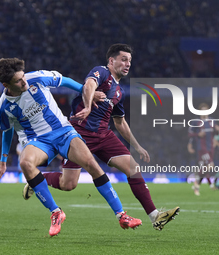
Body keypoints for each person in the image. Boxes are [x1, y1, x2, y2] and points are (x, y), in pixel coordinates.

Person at [23, 44, 180, 230]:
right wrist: (88, 107)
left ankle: (155, 216)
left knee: (133, 168)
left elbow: (120, 122)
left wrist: (137, 146)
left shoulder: (119, 92)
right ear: (111, 61)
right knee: (68, 184)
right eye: (123, 59)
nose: (127, 64)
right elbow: (89, 85)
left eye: (129, 60)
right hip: (78, 134)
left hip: (104, 135)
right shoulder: (102, 72)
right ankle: (37, 180)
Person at [0, 58, 142, 237]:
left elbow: (65, 81)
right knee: (25, 162)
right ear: (5, 84)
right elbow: (7, 131)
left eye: (23, 76)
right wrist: (3, 161)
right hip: (38, 141)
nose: (24, 81)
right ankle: (56, 213)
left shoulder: (37, 78)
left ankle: (122, 215)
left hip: (63, 132)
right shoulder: (4, 107)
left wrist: (88, 94)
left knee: (91, 165)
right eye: (18, 81)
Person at [188, 103, 219, 196]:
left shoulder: (212, 121)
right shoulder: (196, 122)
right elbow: (190, 134)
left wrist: (217, 130)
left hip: (211, 148)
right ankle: (198, 183)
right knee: (210, 165)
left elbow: (216, 134)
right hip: (202, 147)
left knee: (205, 168)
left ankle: (197, 184)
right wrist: (197, 135)